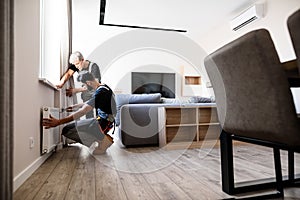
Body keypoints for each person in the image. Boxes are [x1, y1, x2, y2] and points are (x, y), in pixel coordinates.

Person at [44, 71, 116, 154]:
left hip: (104, 122)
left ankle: (103, 140)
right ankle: (102, 139)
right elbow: (90, 102)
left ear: (88, 83)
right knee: (71, 128)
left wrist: (59, 122)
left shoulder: (101, 92)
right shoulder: (103, 87)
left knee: (67, 130)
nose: (84, 87)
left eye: (84, 85)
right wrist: (75, 106)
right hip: (103, 121)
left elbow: (84, 111)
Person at [56, 51, 101, 118]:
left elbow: (93, 84)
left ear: (82, 60)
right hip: (86, 92)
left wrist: (75, 90)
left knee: (99, 112)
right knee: (87, 112)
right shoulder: (76, 65)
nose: (76, 67)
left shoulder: (93, 66)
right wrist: (60, 84)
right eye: (74, 65)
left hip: (95, 91)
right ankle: (89, 126)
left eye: (77, 64)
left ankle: (99, 125)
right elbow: (68, 74)